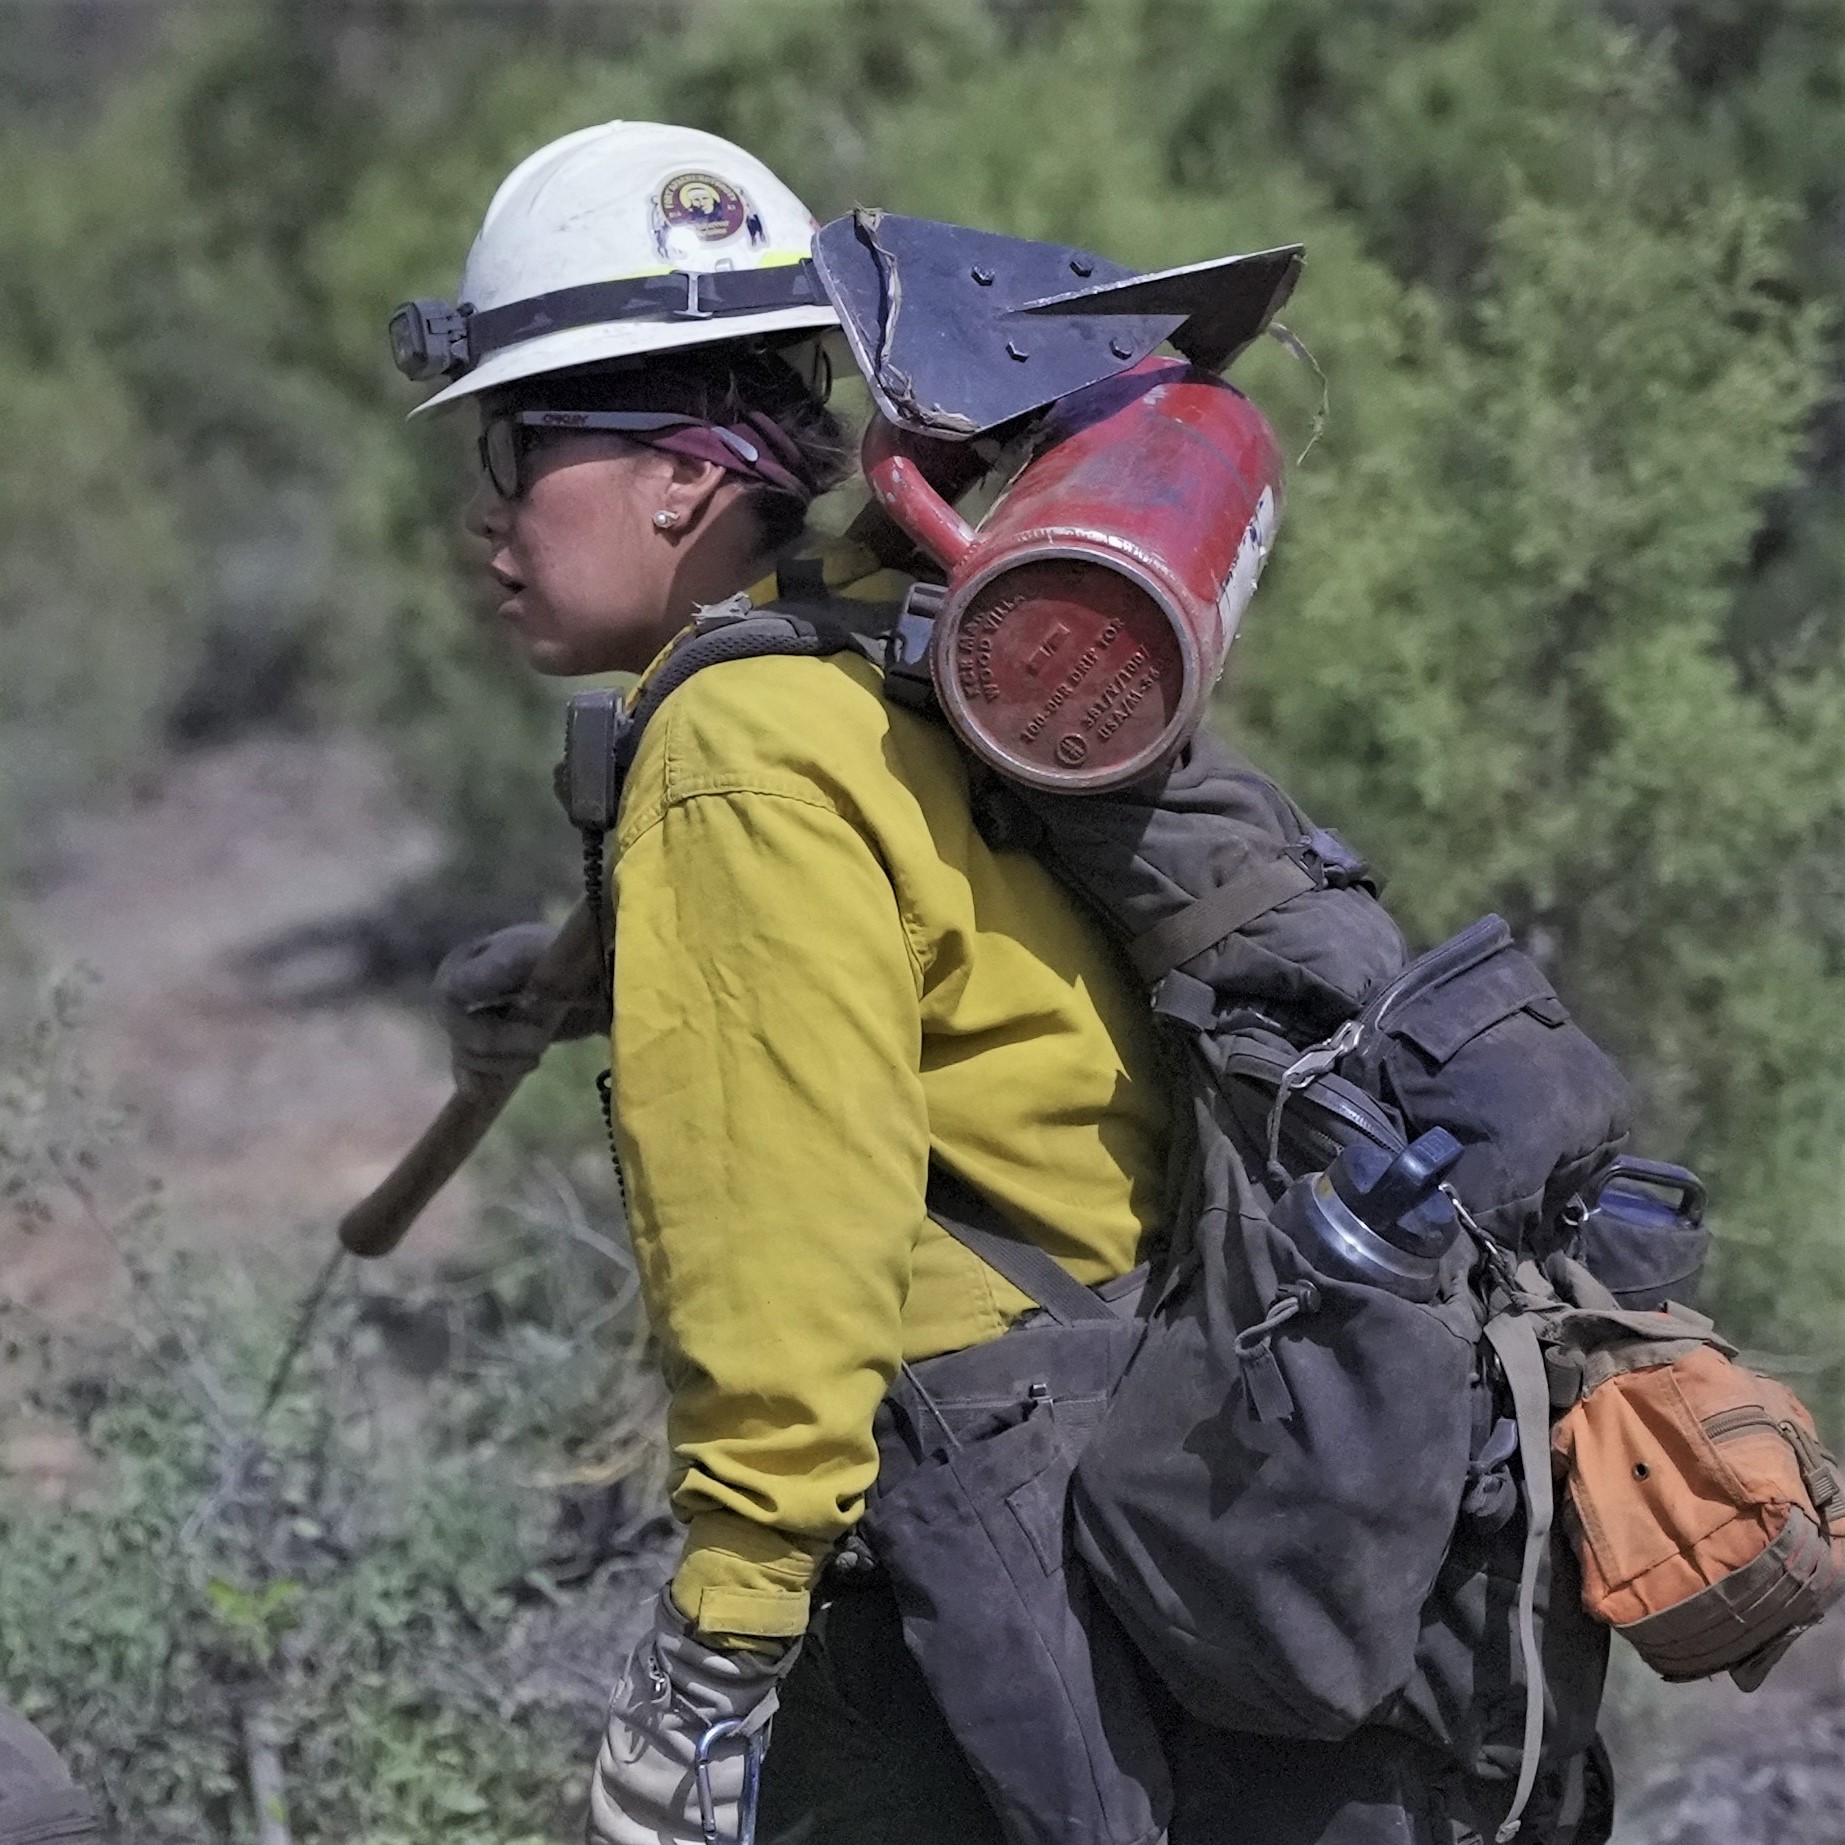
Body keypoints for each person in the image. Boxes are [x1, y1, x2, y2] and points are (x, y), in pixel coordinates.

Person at [410, 120, 1610, 1845]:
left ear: (675, 473)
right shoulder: (877, 627)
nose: (486, 516)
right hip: (1142, 1405)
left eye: (520, 450)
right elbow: (929, 951)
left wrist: (715, 1648)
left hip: (972, 1491)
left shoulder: (733, 749)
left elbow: (790, 1239)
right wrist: (574, 972)